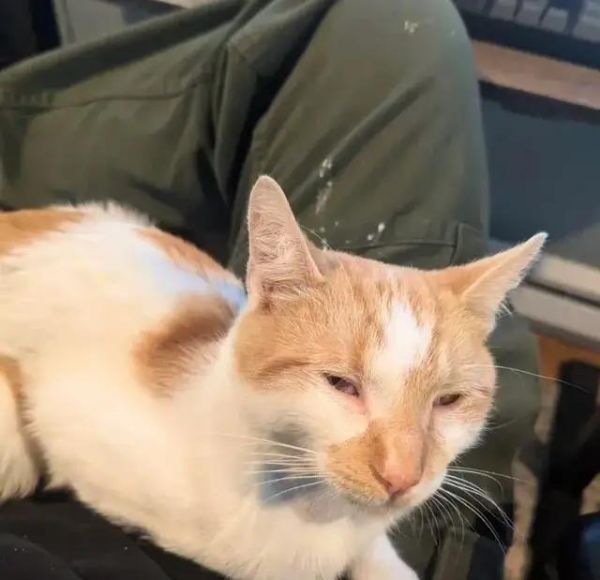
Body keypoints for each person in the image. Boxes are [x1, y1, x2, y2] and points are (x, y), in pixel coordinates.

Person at [0, 0, 540, 578]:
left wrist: (369, 549)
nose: (405, 471)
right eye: (343, 385)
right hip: (43, 285)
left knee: (397, 18)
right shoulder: (176, 481)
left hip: (124, 265)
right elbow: (58, 410)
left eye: (448, 401)